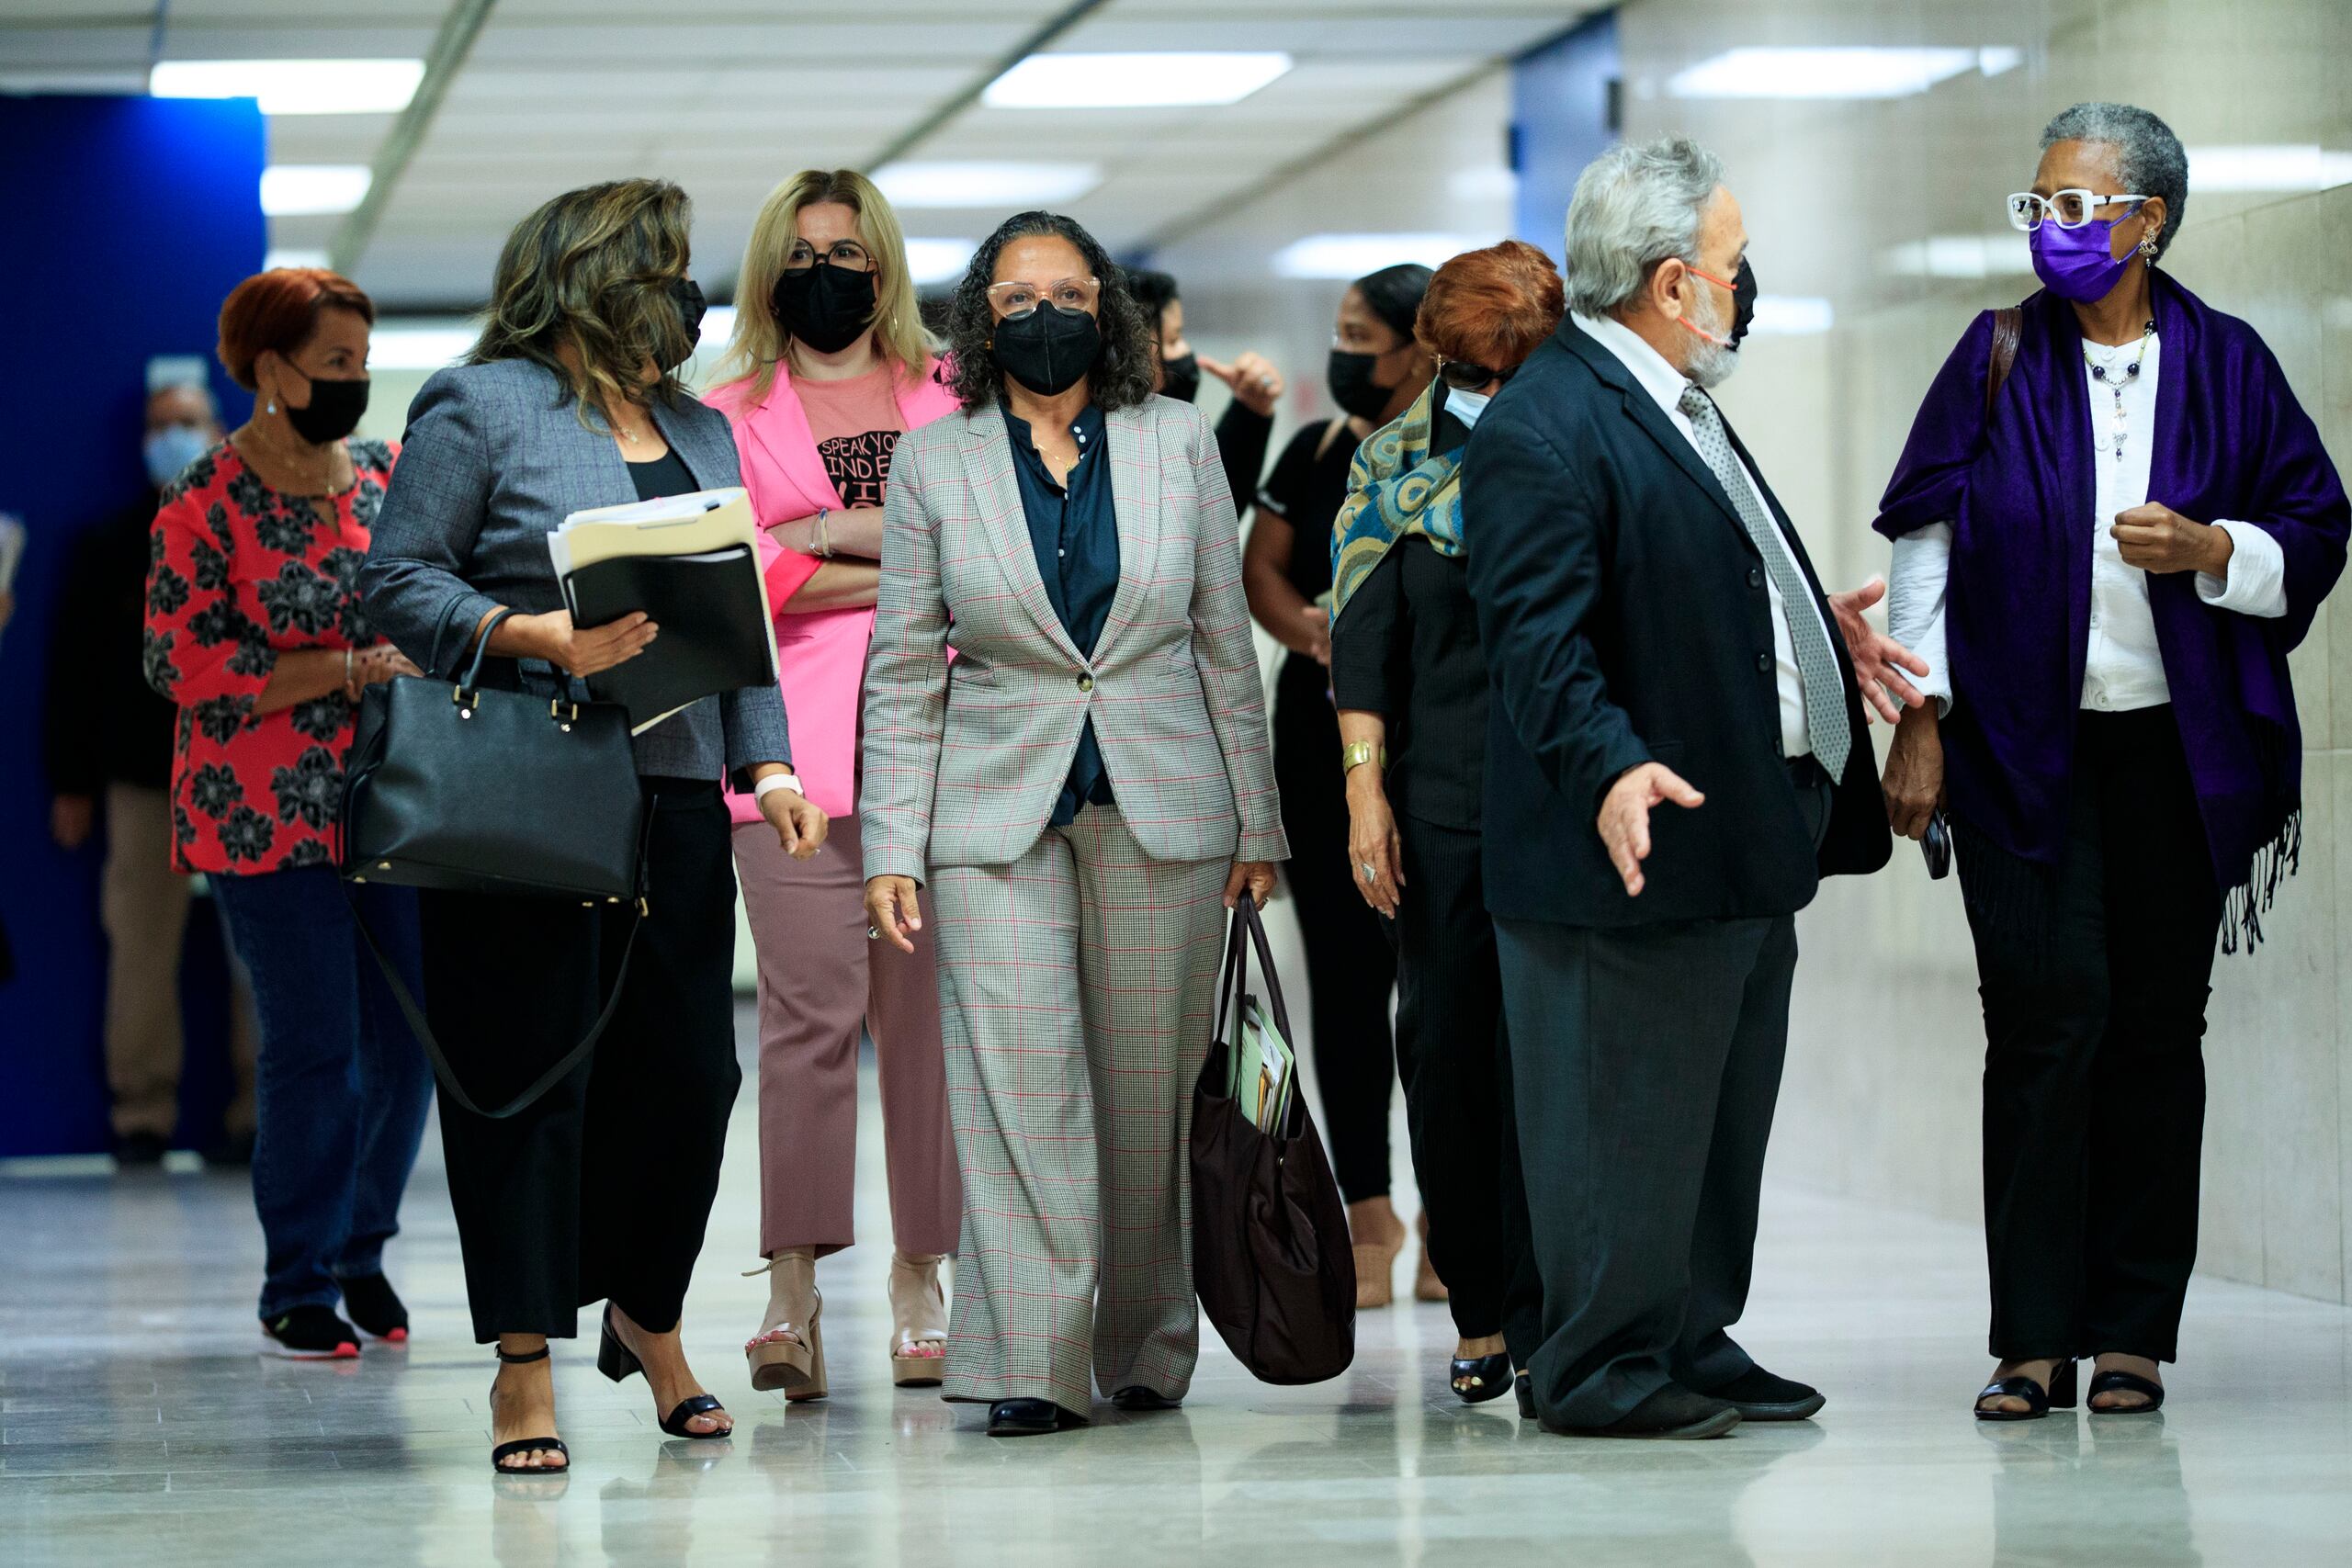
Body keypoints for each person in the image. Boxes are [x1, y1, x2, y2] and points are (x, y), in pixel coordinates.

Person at [1874, 103, 2349, 1421]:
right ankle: (2031, 1335)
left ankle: (2133, 1329)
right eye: (2038, 204)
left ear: (2148, 221)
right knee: (2041, 1019)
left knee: (2154, 1027)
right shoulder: (1995, 356)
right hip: (2022, 752)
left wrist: (2214, 553)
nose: (2051, 229)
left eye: (2077, 206)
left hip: (2177, 759)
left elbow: (2317, 523)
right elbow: (1925, 535)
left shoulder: (2233, 361)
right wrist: (1921, 710)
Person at [361, 178, 826, 1473]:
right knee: (527, 1082)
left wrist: (771, 763)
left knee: (687, 1080)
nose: (687, 295)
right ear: (587, 273)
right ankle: (523, 1361)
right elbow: (398, 579)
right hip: (528, 798)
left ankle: (648, 1310)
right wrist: (527, 631)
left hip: (674, 802)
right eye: (664, 266)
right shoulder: (481, 403)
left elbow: (737, 630)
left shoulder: (700, 427)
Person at [1463, 138, 1915, 1438]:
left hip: (1733, 835)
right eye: (1731, 260)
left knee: (1709, 1130)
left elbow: (1686, 572)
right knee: (1619, 1129)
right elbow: (1539, 642)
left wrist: (1810, 628)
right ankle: (1599, 1363)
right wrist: (1607, 764)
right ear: (1672, 282)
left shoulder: (1675, 400)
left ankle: (1684, 1334)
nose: (1743, 280)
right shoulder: (1545, 427)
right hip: (1628, 848)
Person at [860, 210, 1285, 1438]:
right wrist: (890, 841)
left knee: (1148, 1095)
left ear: (1106, 307)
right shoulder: (938, 463)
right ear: (978, 322)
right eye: (1013, 293)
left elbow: (1219, 639)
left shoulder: (1176, 443)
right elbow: (901, 670)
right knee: (1019, 1086)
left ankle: (1146, 1339)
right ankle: (1031, 1359)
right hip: (992, 813)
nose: (1042, 310)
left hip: (1166, 798)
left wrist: (1260, 819)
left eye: (1066, 288)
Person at [141, 267, 435, 1359]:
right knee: (317, 1048)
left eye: (362, 362)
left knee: (403, 1046)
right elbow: (181, 661)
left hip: (396, 807)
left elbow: (427, 590)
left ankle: (363, 1249)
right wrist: (342, 667)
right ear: (270, 370)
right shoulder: (202, 502)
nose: (356, 382)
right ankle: (297, 1278)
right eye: (335, 364)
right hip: (259, 816)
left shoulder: (382, 475)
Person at [704, 168, 961, 1399]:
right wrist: (897, 551)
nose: (826, 272)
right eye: (802, 253)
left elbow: (983, 555)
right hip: (787, 757)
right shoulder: (724, 411)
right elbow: (730, 581)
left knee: (926, 1028)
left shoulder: (954, 393)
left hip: (950, 749)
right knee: (806, 1022)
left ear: (885, 266)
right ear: (770, 271)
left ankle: (924, 1275)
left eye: (848, 253)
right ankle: (792, 1289)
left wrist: (813, 538)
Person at [1329, 239, 1560, 1406]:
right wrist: (1365, 792)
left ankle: (1560, 1303)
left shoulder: (1585, 446)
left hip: (1574, 797)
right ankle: (1478, 1307)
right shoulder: (1389, 461)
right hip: (1444, 801)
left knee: (1559, 1064)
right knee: (1449, 1056)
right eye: (1470, 369)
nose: (1490, 392)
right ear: (1434, 355)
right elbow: (1363, 640)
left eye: (1510, 369)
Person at [1244, 263, 1431, 1309]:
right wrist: (1311, 628)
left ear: (1420, 349)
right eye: (1342, 330)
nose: (1345, 351)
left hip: (1428, 751)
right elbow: (1259, 569)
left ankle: (1454, 1210)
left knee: (1439, 996)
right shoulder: (1317, 451)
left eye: (1364, 335)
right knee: (1349, 990)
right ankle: (1368, 1206)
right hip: (1317, 754)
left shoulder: (1458, 457)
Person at [48, 377, 260, 1165]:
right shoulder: (107, 545)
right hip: (141, 776)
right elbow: (71, 675)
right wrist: (71, 779)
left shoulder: (249, 532)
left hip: (244, 770)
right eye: (159, 424)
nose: (172, 436)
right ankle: (141, 1111)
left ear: (216, 428)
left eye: (187, 421)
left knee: (261, 949)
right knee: (139, 944)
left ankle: (258, 1112)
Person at [1125, 268, 1285, 517]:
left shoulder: (1169, 440)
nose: (1186, 352)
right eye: (1173, 339)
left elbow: (1214, 511)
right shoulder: (1109, 450)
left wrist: (1251, 410)